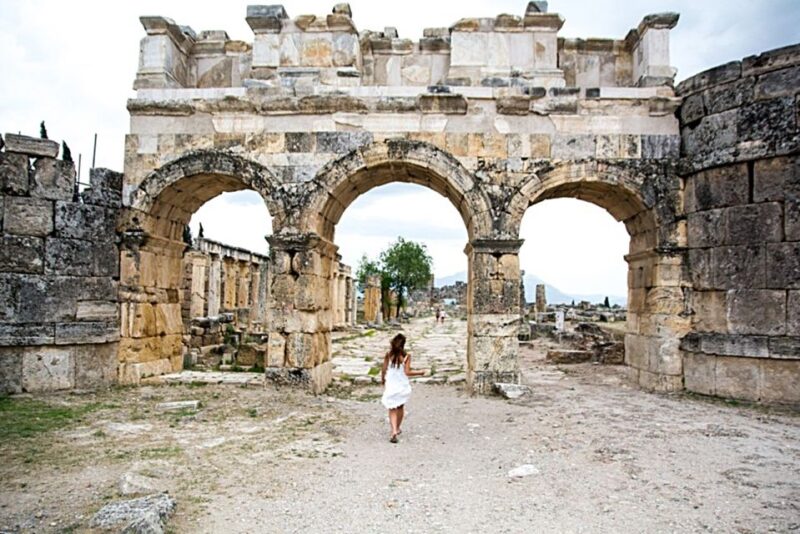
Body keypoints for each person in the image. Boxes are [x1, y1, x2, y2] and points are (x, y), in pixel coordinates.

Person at [380, 333, 425, 443]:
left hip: (391, 384)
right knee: (400, 406)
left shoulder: (388, 354)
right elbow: (407, 372)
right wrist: (420, 372)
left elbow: (384, 368)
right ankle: (398, 428)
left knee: (392, 408)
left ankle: (393, 430)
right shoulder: (406, 356)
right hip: (402, 384)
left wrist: (382, 379)